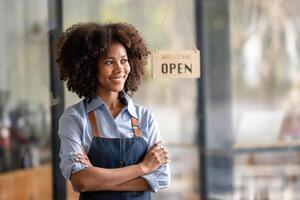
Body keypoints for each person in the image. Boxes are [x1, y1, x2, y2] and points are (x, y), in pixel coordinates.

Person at [56, 22, 171, 200]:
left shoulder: (145, 118)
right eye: (109, 62)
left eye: (124, 60)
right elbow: (81, 181)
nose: (120, 69)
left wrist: (98, 180)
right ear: (89, 66)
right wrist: (143, 169)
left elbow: (163, 177)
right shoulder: (75, 118)